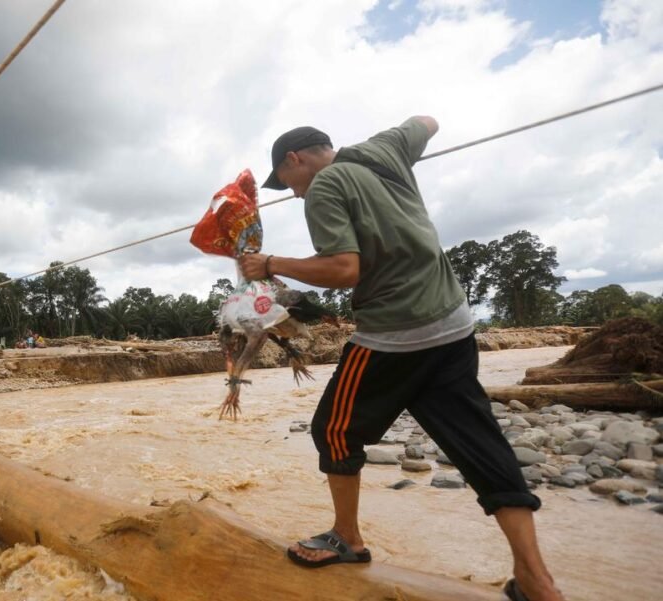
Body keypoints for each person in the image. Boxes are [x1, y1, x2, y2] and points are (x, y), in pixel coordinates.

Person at [240, 117, 563, 601]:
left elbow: (345, 270)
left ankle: (347, 538)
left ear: (295, 159)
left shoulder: (325, 187)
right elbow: (426, 123)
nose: (292, 193)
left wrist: (270, 264)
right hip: (454, 325)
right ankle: (537, 582)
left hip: (395, 334)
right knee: (482, 446)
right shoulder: (385, 148)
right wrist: (409, 146)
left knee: (333, 429)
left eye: (286, 182)